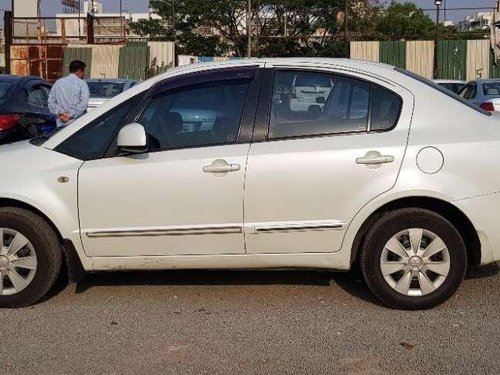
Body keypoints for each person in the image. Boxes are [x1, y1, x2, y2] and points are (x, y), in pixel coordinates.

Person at [48, 60, 90, 127]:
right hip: (77, 124)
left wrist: (61, 113)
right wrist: (70, 115)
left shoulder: (58, 83)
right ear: (80, 71)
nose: (83, 75)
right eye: (83, 72)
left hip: (61, 122)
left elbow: (51, 102)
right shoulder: (82, 84)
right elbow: (84, 103)